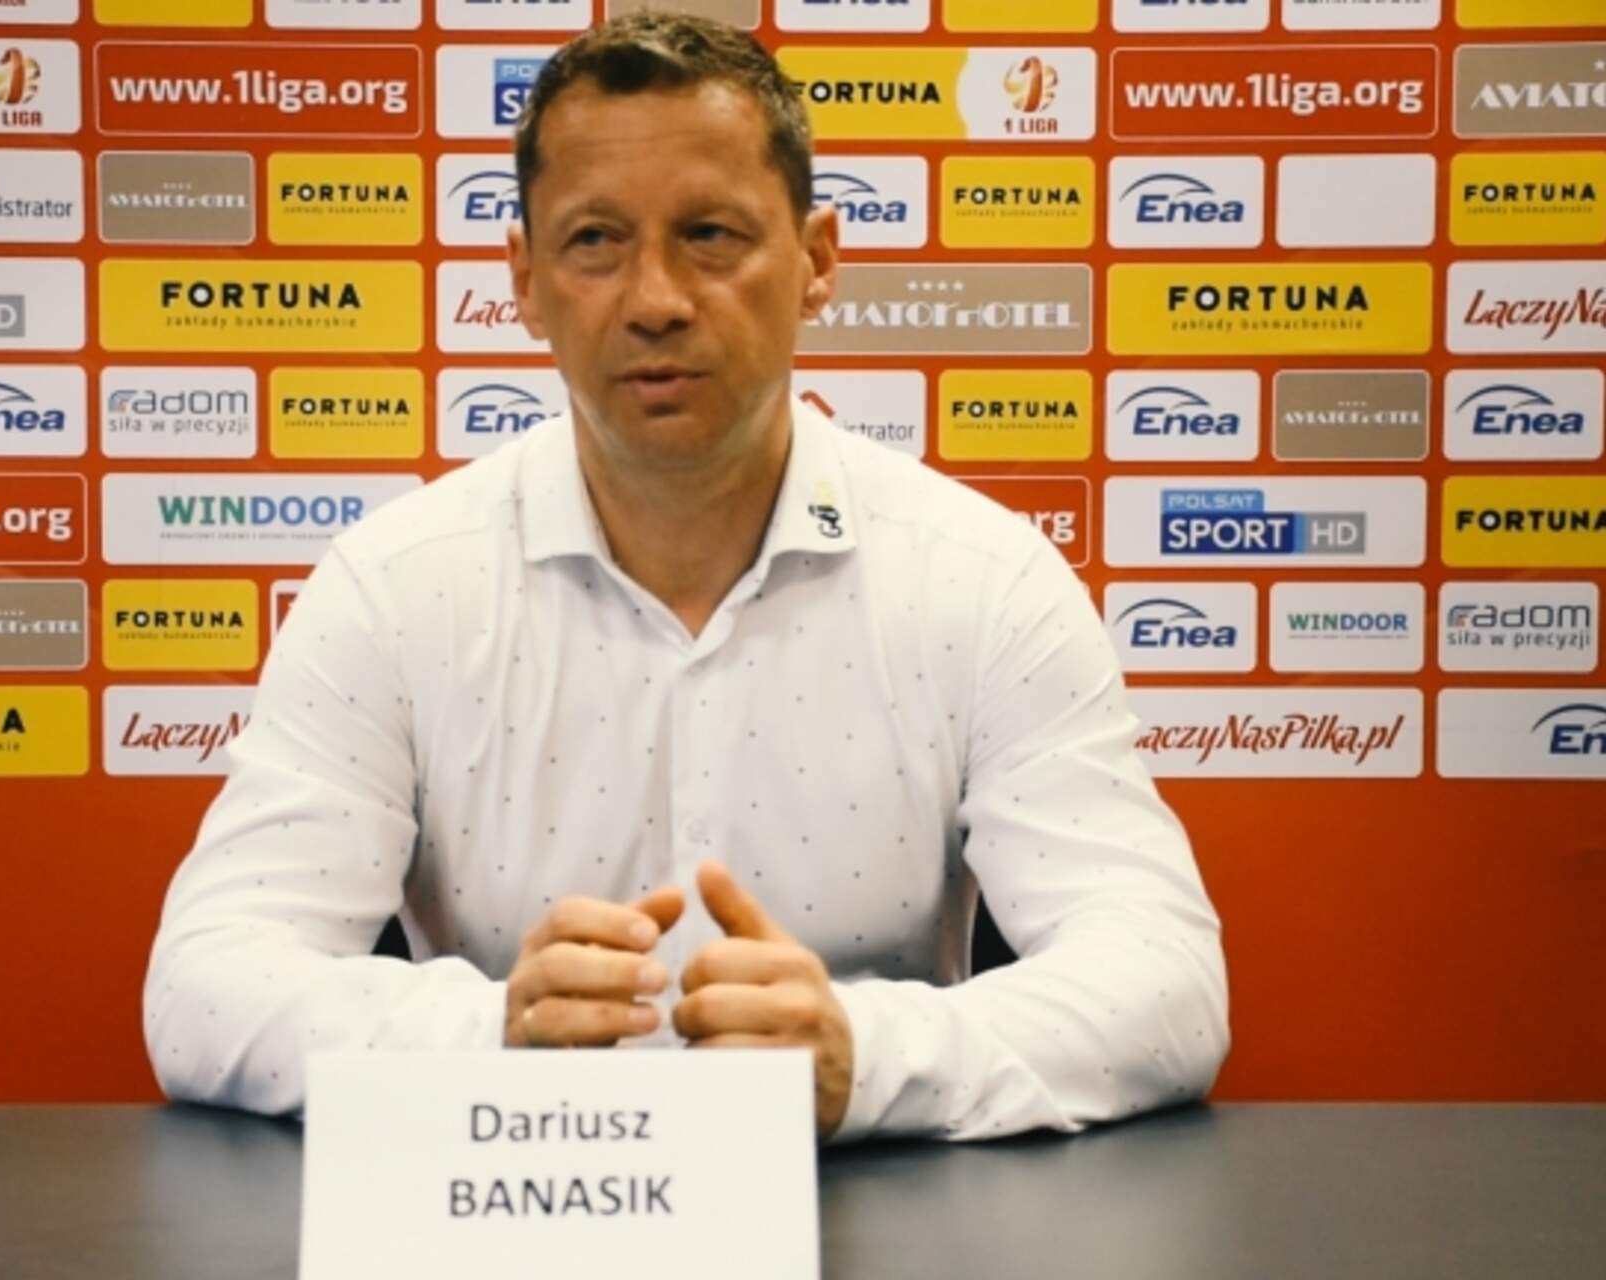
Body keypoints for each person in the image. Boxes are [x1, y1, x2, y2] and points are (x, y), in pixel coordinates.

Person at [143, 12, 1229, 1142]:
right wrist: (489, 1038)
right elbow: (208, 984)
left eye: (710, 235)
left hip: (866, 1210)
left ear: (816, 262)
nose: (654, 297)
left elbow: (1165, 983)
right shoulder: (394, 587)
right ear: (525, 280)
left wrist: (866, 1058)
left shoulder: (984, 580)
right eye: (595, 241)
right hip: (508, 1199)